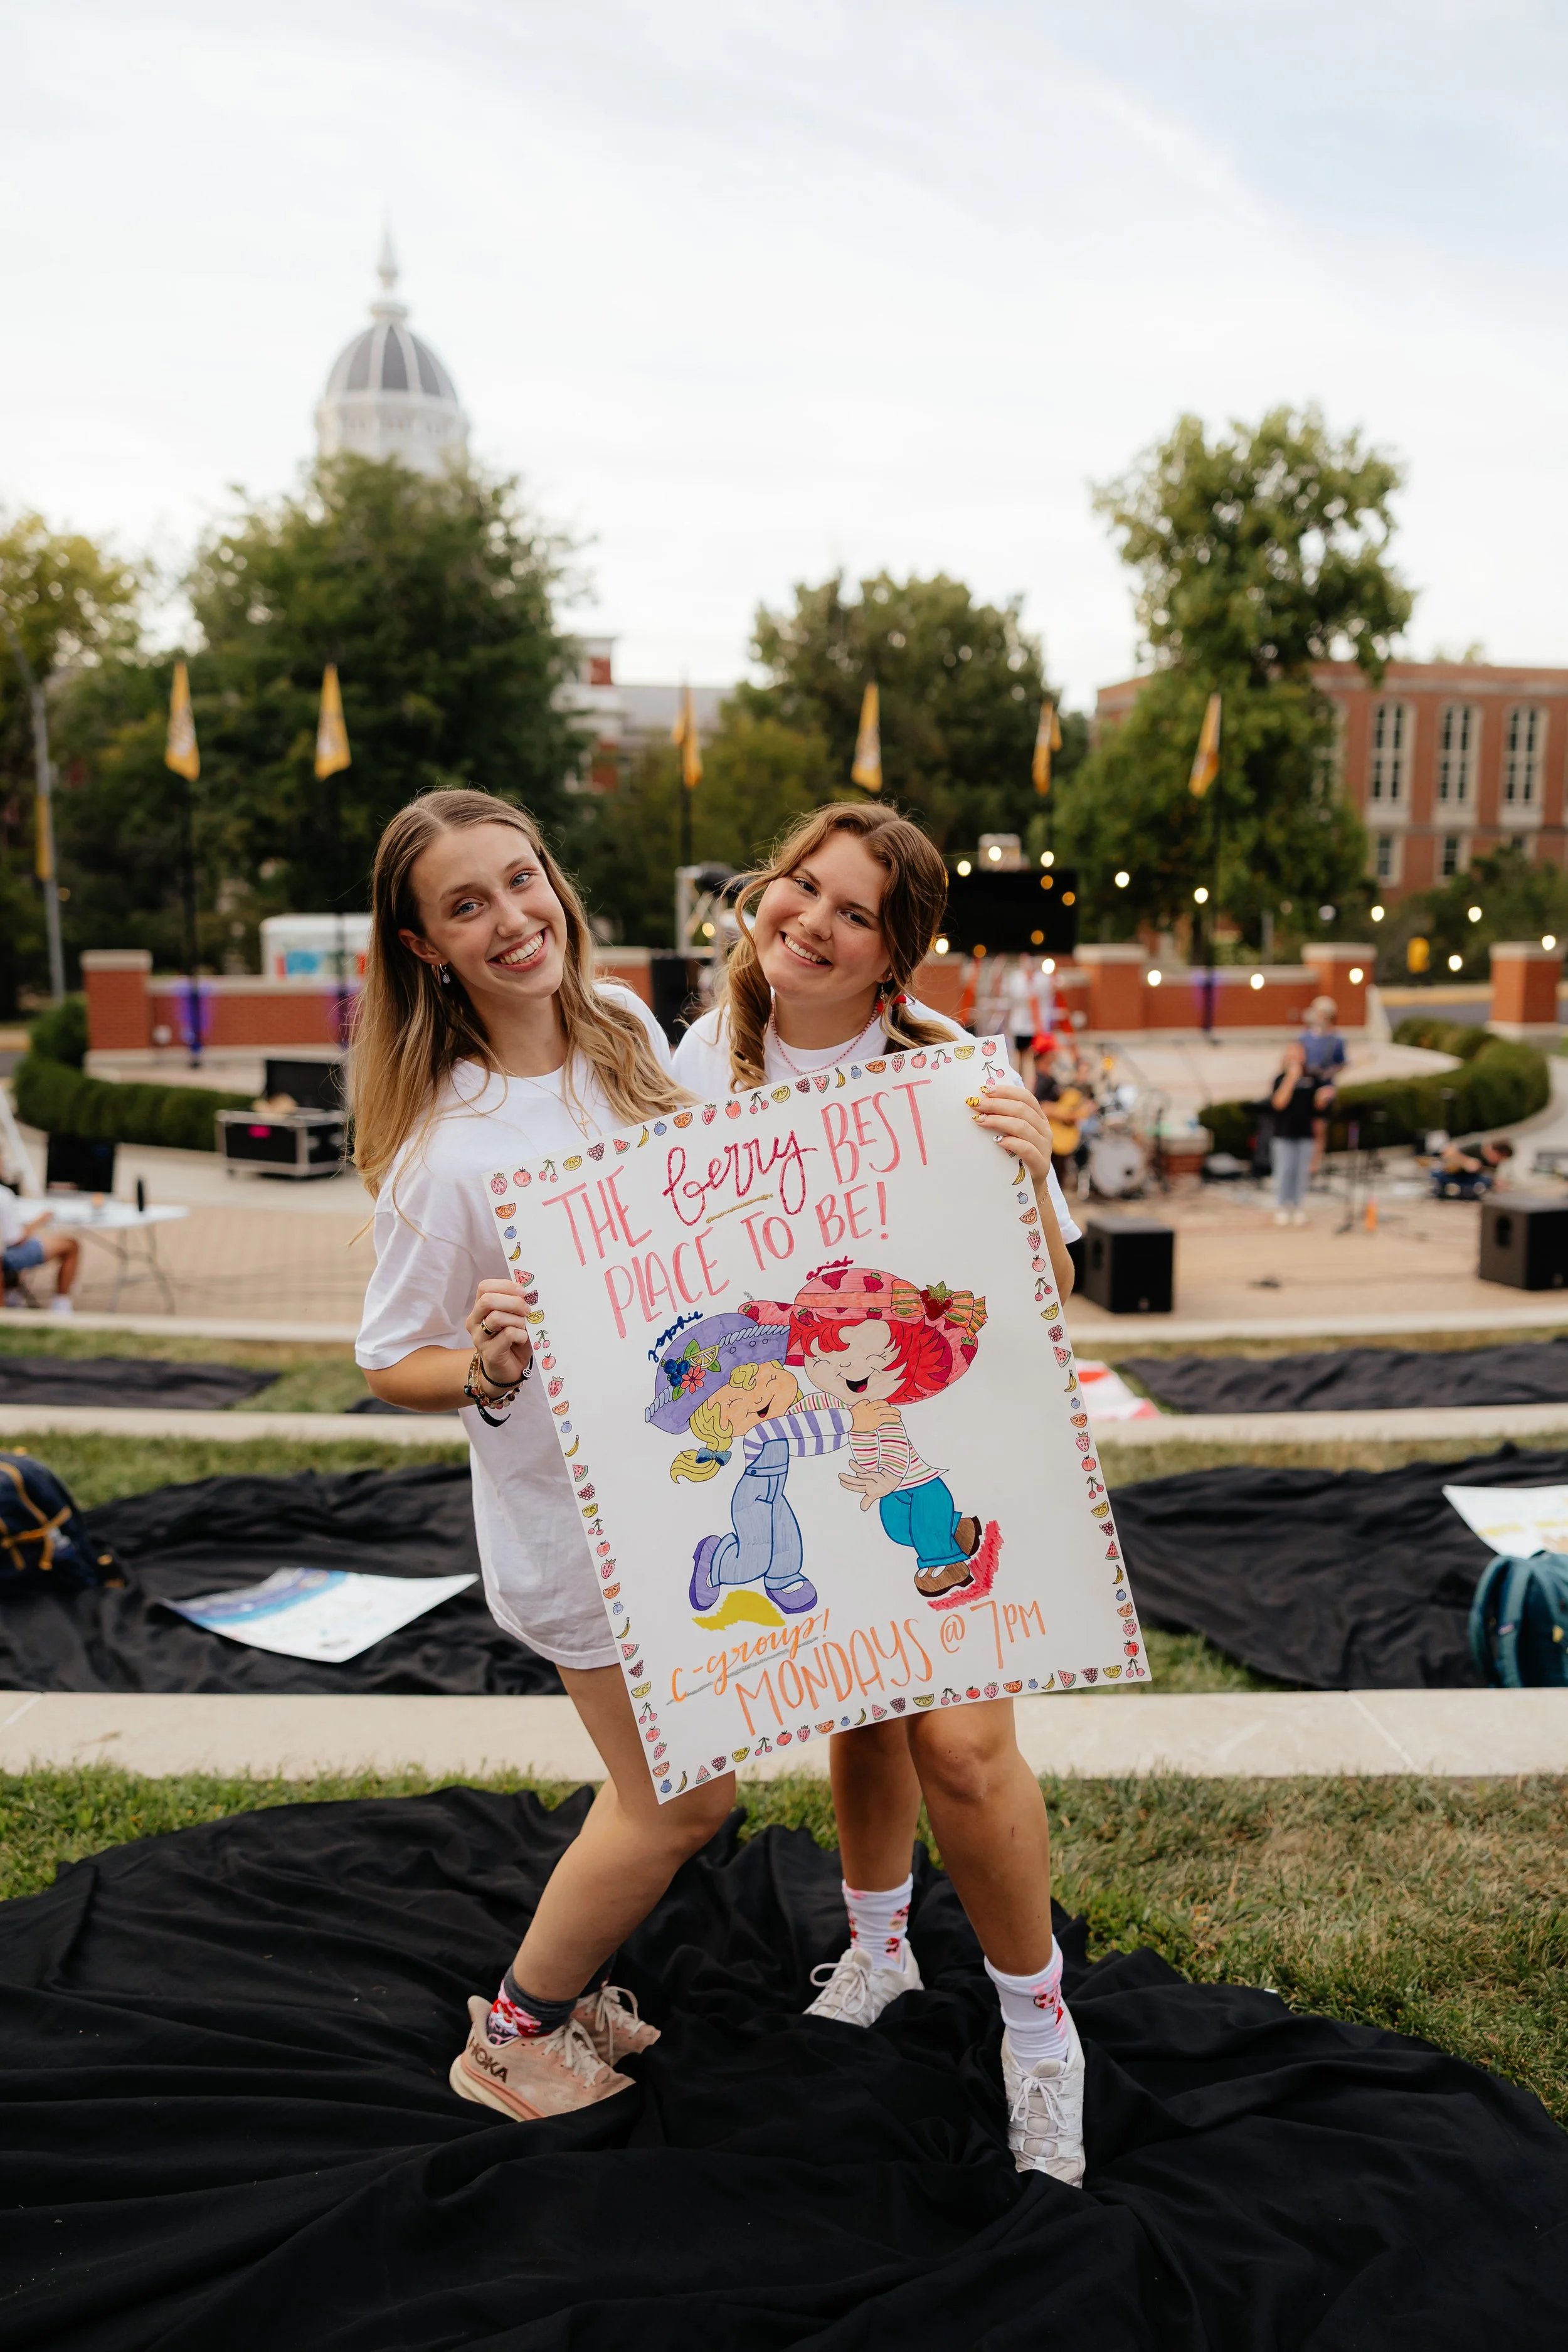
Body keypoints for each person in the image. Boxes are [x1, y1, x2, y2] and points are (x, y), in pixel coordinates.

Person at [672, 800, 1090, 2185]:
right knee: (858, 1710)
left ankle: (1039, 2035)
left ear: (890, 958)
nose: (811, 919)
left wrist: (1033, 1173)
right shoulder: (697, 1066)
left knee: (962, 1749)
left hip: (935, 1444)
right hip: (794, 1444)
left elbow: (1055, 1293)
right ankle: (877, 1950)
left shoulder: (955, 1074)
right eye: (802, 885)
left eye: (853, 912)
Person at [353, 786, 732, 2129]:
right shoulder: (445, 1153)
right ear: (423, 949)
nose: (514, 918)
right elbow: (387, 1355)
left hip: (677, 1481)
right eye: (467, 905)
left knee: (677, 1784)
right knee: (682, 1802)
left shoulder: (621, 1022)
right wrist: (487, 1363)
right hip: (572, 1525)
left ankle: (570, 2000)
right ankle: (511, 2039)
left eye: (521, 880)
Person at [1268, 1040, 1333, 1226]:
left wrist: (1323, 1099)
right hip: (1283, 1134)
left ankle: (1298, 1206)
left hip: (1305, 1134)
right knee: (1284, 1171)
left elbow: (1317, 1112)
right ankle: (1282, 1206)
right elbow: (1278, 1104)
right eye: (1291, 1054)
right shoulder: (1281, 1079)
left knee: (1301, 1173)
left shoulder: (1313, 1079)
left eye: (1298, 1053)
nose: (1295, 1058)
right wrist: (1291, 1078)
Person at [0, 1181, 80, 1314]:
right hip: (8, 1256)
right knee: (70, 1245)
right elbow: (16, 1240)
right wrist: (40, 1221)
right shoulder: (3, 1195)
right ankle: (61, 1305)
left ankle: (13, 1292)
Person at [1301, 995, 1347, 1174]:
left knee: (1319, 1127)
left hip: (1325, 1085)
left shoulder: (1337, 1039)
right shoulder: (1305, 1037)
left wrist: (1330, 1072)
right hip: (1307, 1084)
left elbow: (1341, 1063)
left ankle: (1314, 1165)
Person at [1431, 1138, 1514, 1199]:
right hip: (1452, 1176)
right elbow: (1448, 1151)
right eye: (1499, 1158)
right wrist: (1466, 1161)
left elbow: (1492, 1178)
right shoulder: (1476, 1146)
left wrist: (1500, 1184)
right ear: (1495, 1151)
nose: (1498, 1162)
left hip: (1470, 1183)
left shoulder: (1494, 1164)